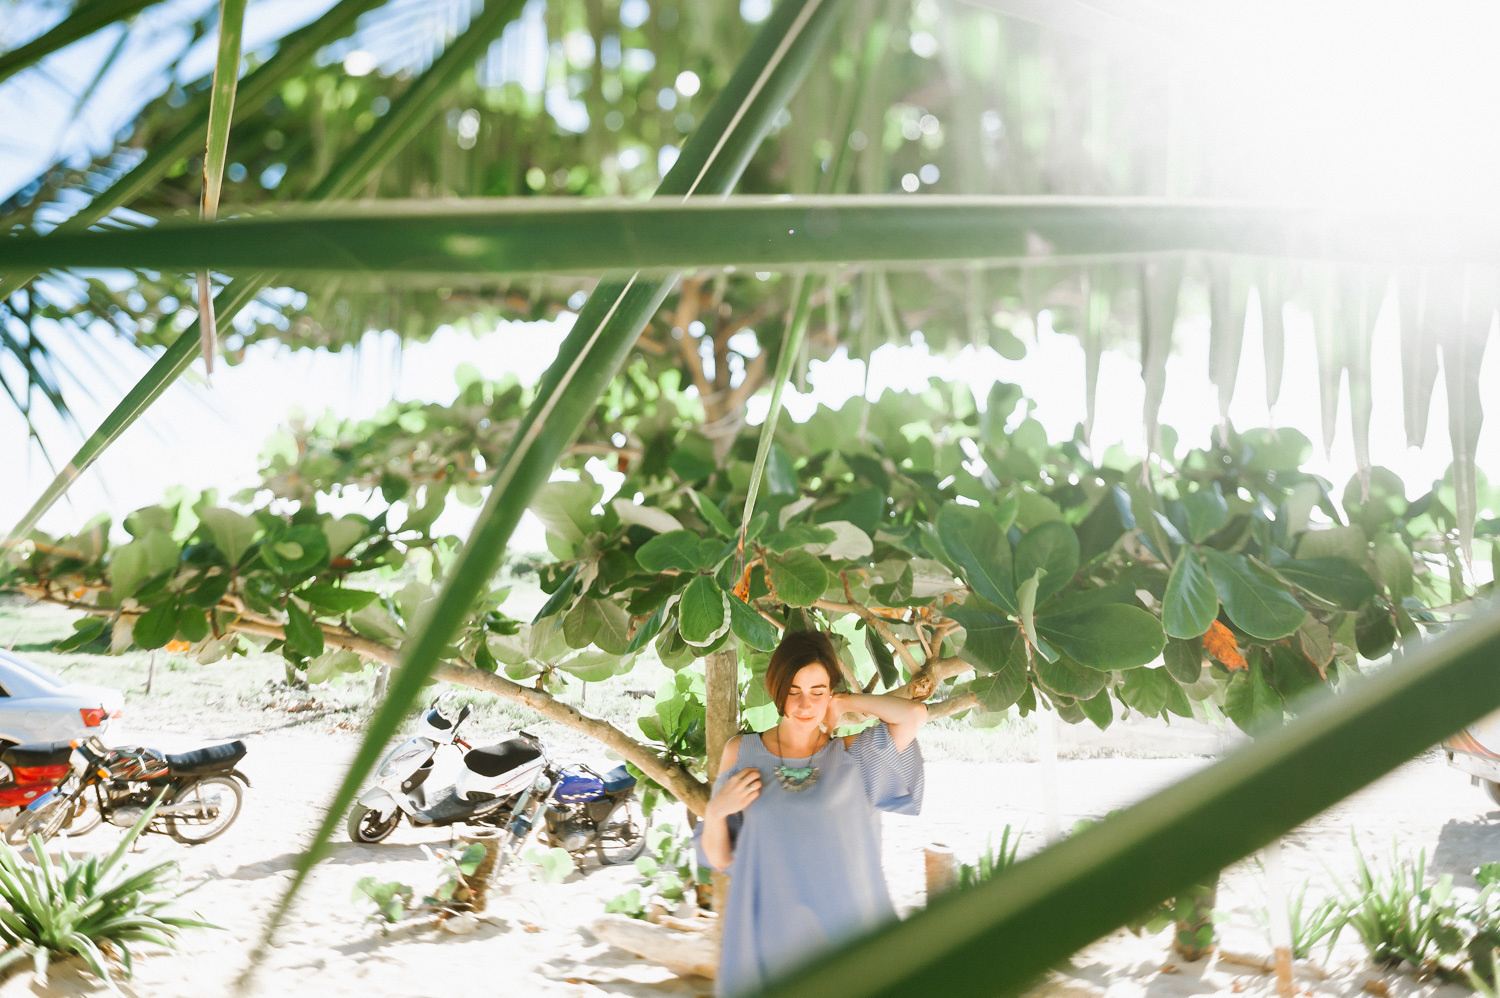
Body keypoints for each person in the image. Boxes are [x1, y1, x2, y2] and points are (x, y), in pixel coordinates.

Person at [695, 628, 929, 998]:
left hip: (845, 937)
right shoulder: (742, 753)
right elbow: (720, 857)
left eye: (818, 692)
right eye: (794, 692)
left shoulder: (853, 755)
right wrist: (716, 811)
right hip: (772, 941)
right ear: (777, 690)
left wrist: (848, 702)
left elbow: (914, 714)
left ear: (830, 693)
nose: (806, 705)